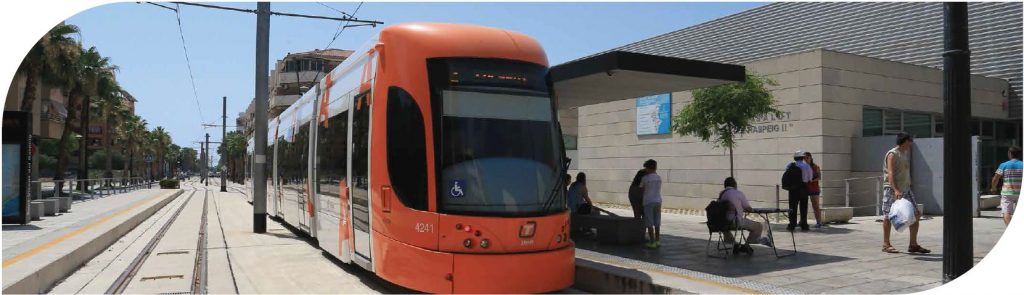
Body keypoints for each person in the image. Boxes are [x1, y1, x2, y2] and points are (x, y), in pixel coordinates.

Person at [881, 133, 930, 254]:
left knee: (916, 214)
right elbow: (891, 173)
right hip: (892, 189)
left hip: (906, 189)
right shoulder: (892, 154)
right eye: (910, 140)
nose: (911, 143)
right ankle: (886, 244)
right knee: (888, 216)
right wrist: (896, 189)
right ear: (904, 141)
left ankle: (913, 245)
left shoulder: (904, 154)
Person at [719, 177, 771, 254]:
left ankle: (735, 244)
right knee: (758, 226)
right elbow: (748, 208)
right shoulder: (738, 193)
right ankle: (747, 245)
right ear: (735, 185)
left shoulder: (721, 194)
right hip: (736, 222)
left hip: (723, 222)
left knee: (725, 229)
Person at [990, 146, 1021, 226]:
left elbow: (995, 178)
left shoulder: (1003, 165)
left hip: (1007, 193)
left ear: (1010, 154)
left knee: (1006, 212)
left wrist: (993, 188)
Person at [785, 150, 813, 231]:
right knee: (803, 207)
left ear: (795, 157)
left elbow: (787, 175)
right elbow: (810, 179)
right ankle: (804, 224)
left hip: (793, 189)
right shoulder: (806, 166)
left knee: (792, 207)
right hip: (803, 188)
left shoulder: (790, 165)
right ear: (802, 157)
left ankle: (792, 225)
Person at [640, 159, 663, 249]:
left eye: (646, 168)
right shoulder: (659, 178)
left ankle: (652, 242)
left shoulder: (645, 178)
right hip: (658, 201)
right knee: (657, 222)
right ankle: (657, 241)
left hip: (648, 201)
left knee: (649, 222)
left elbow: (642, 189)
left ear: (648, 168)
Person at [805, 152, 824, 228]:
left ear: (810, 158)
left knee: (815, 206)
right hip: (806, 189)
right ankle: (803, 221)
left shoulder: (815, 167)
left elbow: (819, 177)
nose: (805, 159)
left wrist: (812, 180)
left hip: (814, 189)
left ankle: (819, 222)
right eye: (804, 158)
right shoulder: (804, 167)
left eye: (807, 157)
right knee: (804, 206)